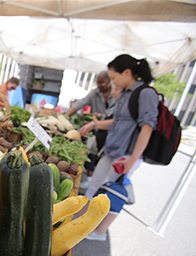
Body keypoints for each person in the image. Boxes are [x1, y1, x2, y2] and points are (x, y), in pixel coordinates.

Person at [77, 54, 159, 241]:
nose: (112, 82)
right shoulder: (126, 92)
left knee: (113, 192)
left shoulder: (145, 93)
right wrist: (95, 125)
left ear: (127, 72)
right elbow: (117, 121)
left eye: (114, 77)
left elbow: (147, 127)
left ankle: (100, 232)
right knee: (95, 184)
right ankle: (82, 222)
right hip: (111, 149)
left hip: (127, 154)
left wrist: (132, 159)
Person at [68, 71, 116, 179]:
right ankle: (90, 177)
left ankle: (95, 179)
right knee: (93, 154)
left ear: (109, 81)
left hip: (111, 131)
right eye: (98, 83)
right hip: (96, 129)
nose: (99, 86)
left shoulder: (116, 92)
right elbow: (81, 103)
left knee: (103, 161)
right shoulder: (95, 93)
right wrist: (66, 116)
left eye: (102, 84)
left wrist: (101, 118)